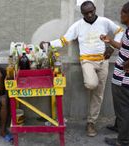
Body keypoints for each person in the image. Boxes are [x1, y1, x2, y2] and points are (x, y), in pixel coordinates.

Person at [40, 1, 124, 137]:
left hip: (103, 61)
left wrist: (112, 47)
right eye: (86, 13)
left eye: (92, 11)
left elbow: (120, 31)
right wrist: (48, 44)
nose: (90, 14)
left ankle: (91, 123)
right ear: (82, 13)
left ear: (95, 9)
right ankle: (92, 89)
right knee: (91, 84)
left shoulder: (104, 21)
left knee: (98, 95)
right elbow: (64, 40)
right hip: (87, 61)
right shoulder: (78, 26)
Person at [100, 1, 129, 146]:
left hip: (124, 78)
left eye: (122, 12)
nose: (120, 15)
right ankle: (119, 127)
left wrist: (127, 64)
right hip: (126, 77)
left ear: (127, 14)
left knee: (124, 108)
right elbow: (126, 48)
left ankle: (123, 141)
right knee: (121, 105)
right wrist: (110, 41)